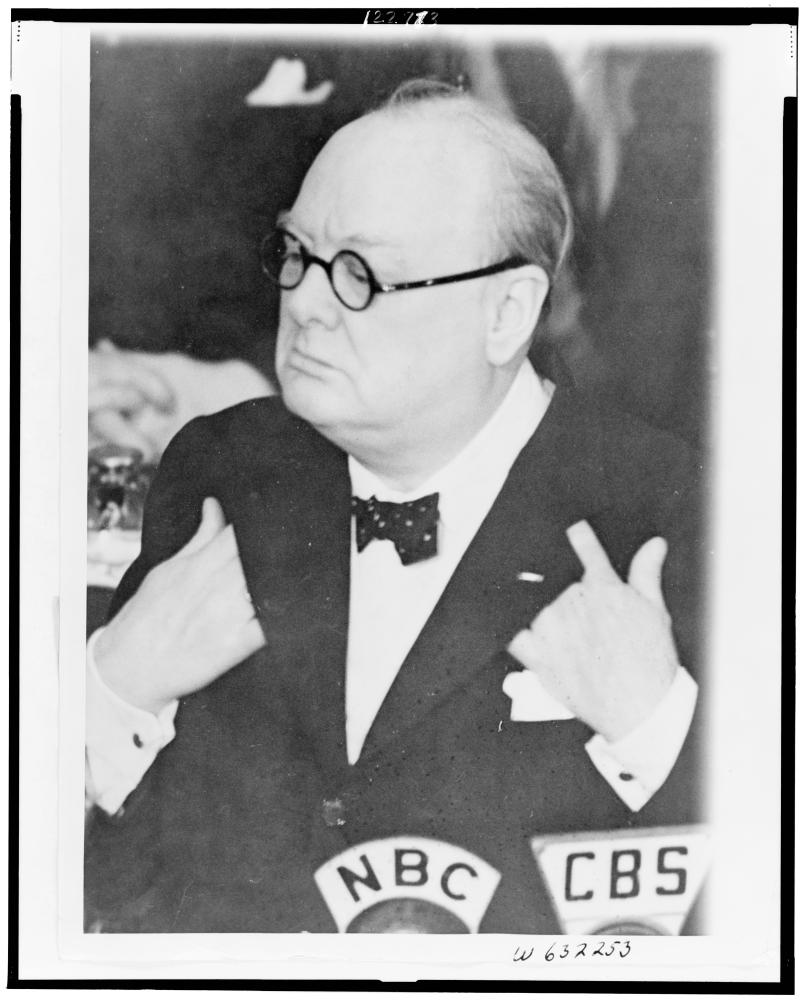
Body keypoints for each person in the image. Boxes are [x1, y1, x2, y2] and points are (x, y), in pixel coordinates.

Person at [84, 80, 705, 934]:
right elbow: (105, 897)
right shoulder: (223, 468)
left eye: (359, 274)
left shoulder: (669, 508)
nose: (303, 303)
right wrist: (116, 688)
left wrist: (656, 732)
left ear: (507, 312)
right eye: (296, 254)